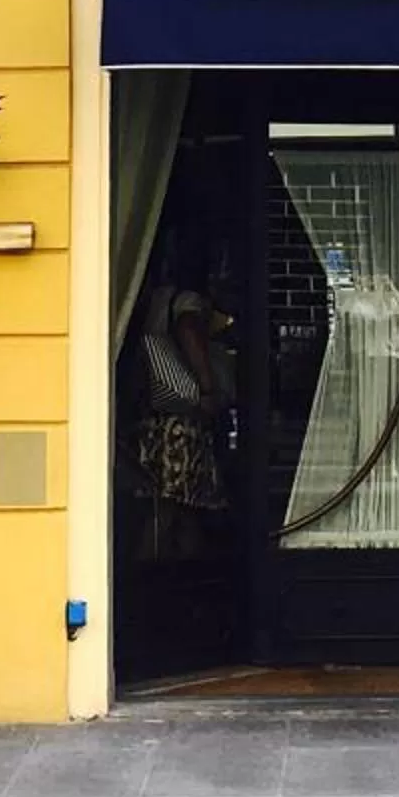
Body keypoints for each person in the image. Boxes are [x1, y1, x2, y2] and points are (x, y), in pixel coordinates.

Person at [132, 225, 231, 557]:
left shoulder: (154, 298)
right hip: (182, 419)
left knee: (172, 503)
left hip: (156, 413)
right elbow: (188, 330)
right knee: (178, 503)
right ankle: (160, 568)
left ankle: (177, 567)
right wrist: (207, 387)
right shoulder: (188, 300)